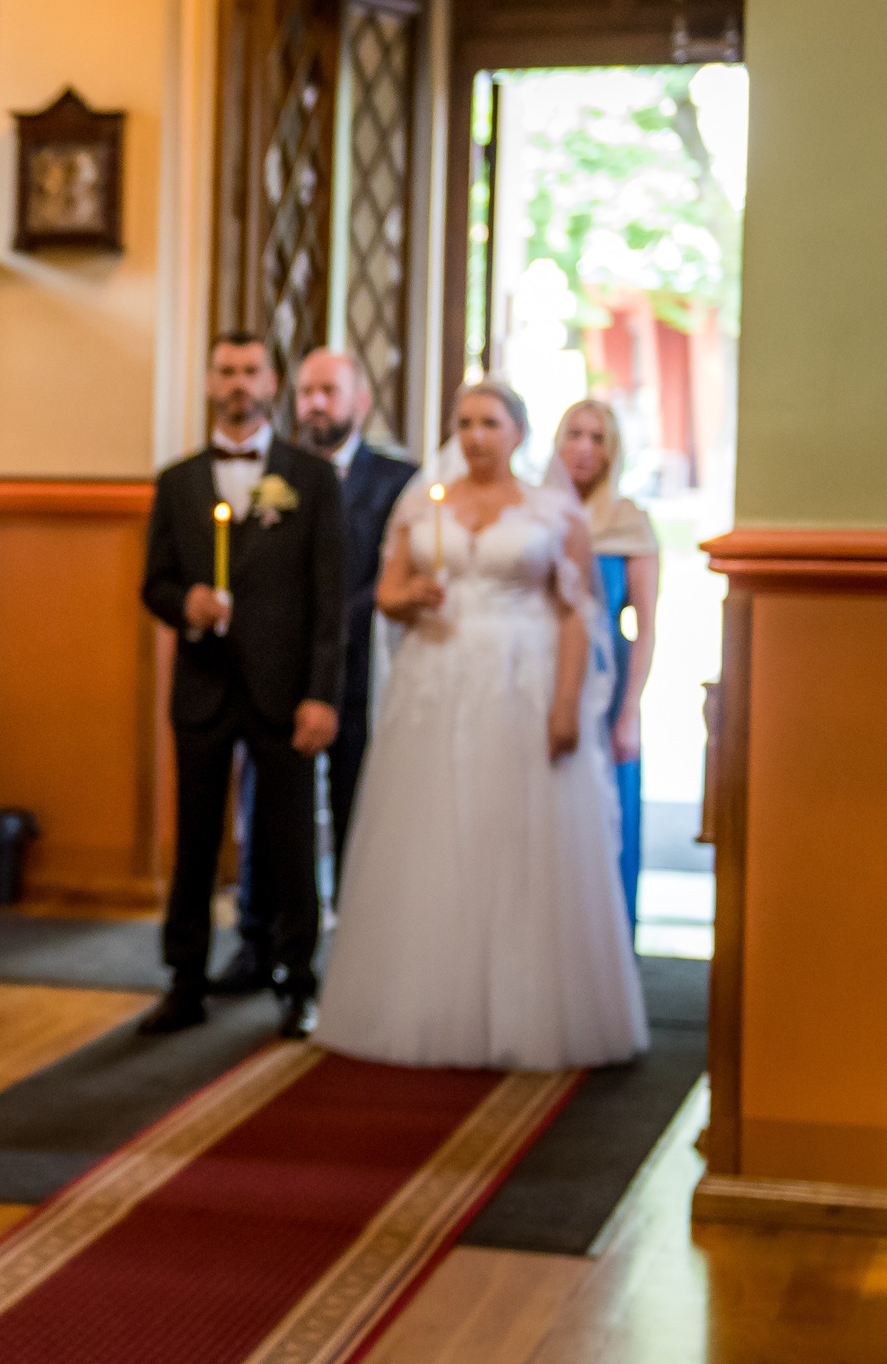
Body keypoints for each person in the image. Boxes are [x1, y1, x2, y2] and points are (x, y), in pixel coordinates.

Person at [315, 382, 647, 1070]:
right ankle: (428, 999)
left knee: (512, 830)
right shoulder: (421, 502)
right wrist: (411, 597)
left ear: (518, 433)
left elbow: (577, 616)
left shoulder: (554, 512)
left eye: (489, 422)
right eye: (463, 422)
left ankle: (524, 1004)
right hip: (437, 679)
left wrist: (566, 705)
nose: (474, 435)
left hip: (520, 683)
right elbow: (386, 594)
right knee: (436, 832)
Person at [140, 333, 345, 1040]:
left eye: (251, 371)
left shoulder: (312, 480)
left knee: (291, 841)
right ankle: (185, 981)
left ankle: (298, 980)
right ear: (207, 382)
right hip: (202, 686)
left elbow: (330, 604)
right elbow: (154, 584)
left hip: (285, 691)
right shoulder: (177, 481)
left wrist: (322, 693)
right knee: (194, 842)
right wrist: (186, 605)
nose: (238, 383)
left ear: (273, 381)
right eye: (225, 371)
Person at [223, 349, 420, 991]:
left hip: (366, 667)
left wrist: (337, 615)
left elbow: (400, 572)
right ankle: (259, 942)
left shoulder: (399, 481)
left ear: (360, 400)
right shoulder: (272, 473)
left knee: (356, 805)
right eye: (306, 390)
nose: (315, 403)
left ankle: (361, 952)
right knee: (269, 808)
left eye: (329, 390)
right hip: (281, 671)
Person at [547, 398, 659, 937]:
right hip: (541, 679)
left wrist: (630, 711)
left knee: (606, 813)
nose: (584, 448)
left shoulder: (629, 521)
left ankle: (608, 944)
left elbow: (644, 627)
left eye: (597, 438)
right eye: (575, 434)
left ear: (611, 451)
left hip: (606, 684)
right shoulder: (537, 513)